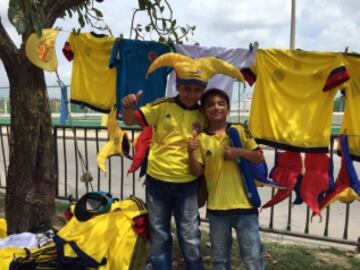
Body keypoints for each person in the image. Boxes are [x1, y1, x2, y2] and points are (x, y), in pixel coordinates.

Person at [122, 53, 244, 270]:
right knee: (159, 233)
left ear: (202, 90)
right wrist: (128, 107)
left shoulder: (203, 115)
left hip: (188, 184)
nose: (191, 94)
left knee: (189, 234)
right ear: (178, 86)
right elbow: (131, 120)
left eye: (197, 90)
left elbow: (215, 141)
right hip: (157, 181)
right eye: (187, 88)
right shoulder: (161, 106)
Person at [188, 88, 265, 270]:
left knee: (253, 258)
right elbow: (196, 171)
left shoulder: (239, 130)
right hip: (217, 209)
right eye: (211, 105)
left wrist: (238, 152)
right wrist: (191, 153)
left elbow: (259, 156)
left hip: (245, 206)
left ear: (228, 108)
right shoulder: (201, 138)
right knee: (220, 260)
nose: (216, 107)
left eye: (221, 103)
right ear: (204, 111)